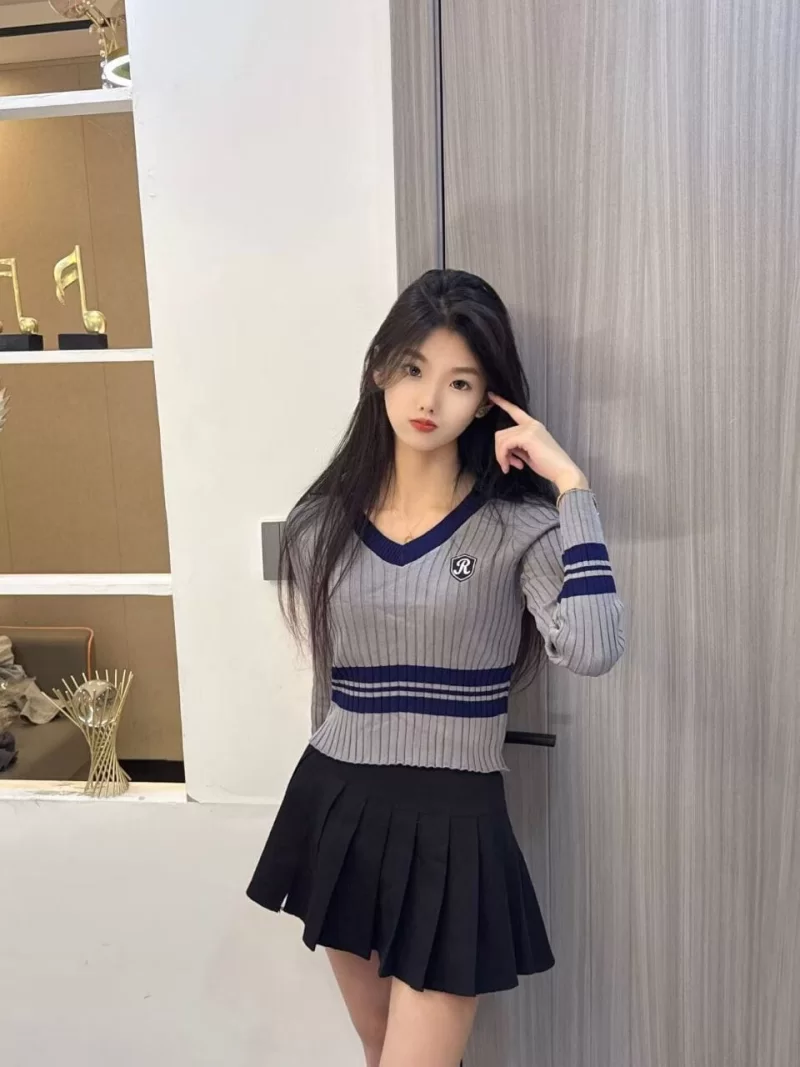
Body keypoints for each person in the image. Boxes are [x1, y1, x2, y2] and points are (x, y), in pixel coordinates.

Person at [247, 268, 626, 1067]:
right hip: (338, 805)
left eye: (460, 382)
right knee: (380, 1049)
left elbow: (593, 647)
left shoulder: (518, 526)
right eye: (414, 368)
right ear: (379, 368)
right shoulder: (320, 525)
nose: (429, 399)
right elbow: (328, 688)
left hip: (455, 824)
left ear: (487, 401)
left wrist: (572, 487)